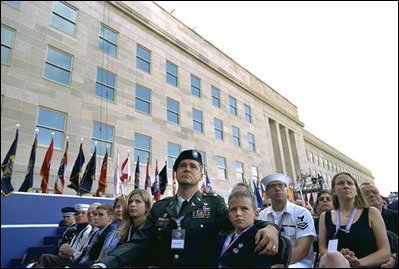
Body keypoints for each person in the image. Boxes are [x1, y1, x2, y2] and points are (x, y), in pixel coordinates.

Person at [92, 149, 280, 268]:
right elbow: (138, 243)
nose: (187, 169)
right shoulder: (160, 208)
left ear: (201, 175)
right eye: (182, 166)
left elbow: (241, 221)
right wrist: (104, 264)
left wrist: (271, 228)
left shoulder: (214, 204)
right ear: (175, 174)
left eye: (193, 166)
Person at [318, 172, 390, 267]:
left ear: (356, 190)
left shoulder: (372, 213)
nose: (346, 186)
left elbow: (385, 252)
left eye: (350, 183)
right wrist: (339, 259)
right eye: (340, 183)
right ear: (334, 191)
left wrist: (357, 262)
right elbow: (323, 249)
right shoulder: (325, 217)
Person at [258, 173, 316, 268]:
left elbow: (303, 250)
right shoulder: (262, 215)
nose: (277, 188)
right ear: (267, 192)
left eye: (281, 185)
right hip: (269, 263)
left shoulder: (301, 213)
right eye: (273, 186)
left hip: (298, 263)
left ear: (287, 190)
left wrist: (282, 265)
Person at [219, 190, 272, 267]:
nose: (238, 213)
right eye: (233, 209)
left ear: (256, 214)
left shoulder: (260, 240)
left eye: (244, 208)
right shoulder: (224, 236)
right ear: (229, 216)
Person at [360, 182, 397, 268]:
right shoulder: (355, 221)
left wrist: (394, 257)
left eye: (375, 192)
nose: (372, 195)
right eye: (366, 194)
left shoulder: (395, 217)